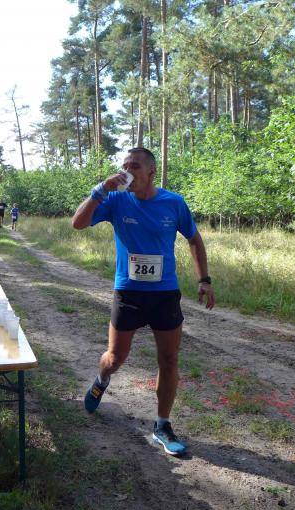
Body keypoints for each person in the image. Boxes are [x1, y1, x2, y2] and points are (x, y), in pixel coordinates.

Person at [71, 147, 215, 456]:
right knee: (115, 358)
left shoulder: (173, 202)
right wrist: (100, 190)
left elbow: (194, 238)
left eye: (134, 166)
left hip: (164, 294)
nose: (127, 171)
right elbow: (78, 223)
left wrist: (204, 279)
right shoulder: (115, 199)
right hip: (129, 293)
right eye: (124, 165)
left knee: (170, 359)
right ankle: (101, 380)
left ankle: (162, 425)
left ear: (151, 171)